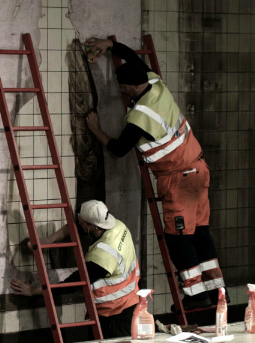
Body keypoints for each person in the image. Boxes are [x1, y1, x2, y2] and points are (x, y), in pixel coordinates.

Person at [83, 37, 225, 310]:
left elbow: (120, 148)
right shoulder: (156, 84)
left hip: (179, 179)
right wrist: (109, 45)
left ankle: (196, 296)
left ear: (134, 86)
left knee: (178, 239)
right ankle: (218, 292)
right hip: (199, 169)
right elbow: (132, 58)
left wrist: (96, 129)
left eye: (124, 89)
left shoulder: (140, 117)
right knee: (201, 234)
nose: (122, 93)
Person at [10, 200, 140, 338]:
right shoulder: (118, 226)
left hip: (114, 314)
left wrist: (34, 291)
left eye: (83, 223)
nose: (80, 225)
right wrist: (49, 240)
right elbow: (75, 227)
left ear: (92, 226)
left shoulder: (103, 255)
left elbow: (74, 283)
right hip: (130, 302)